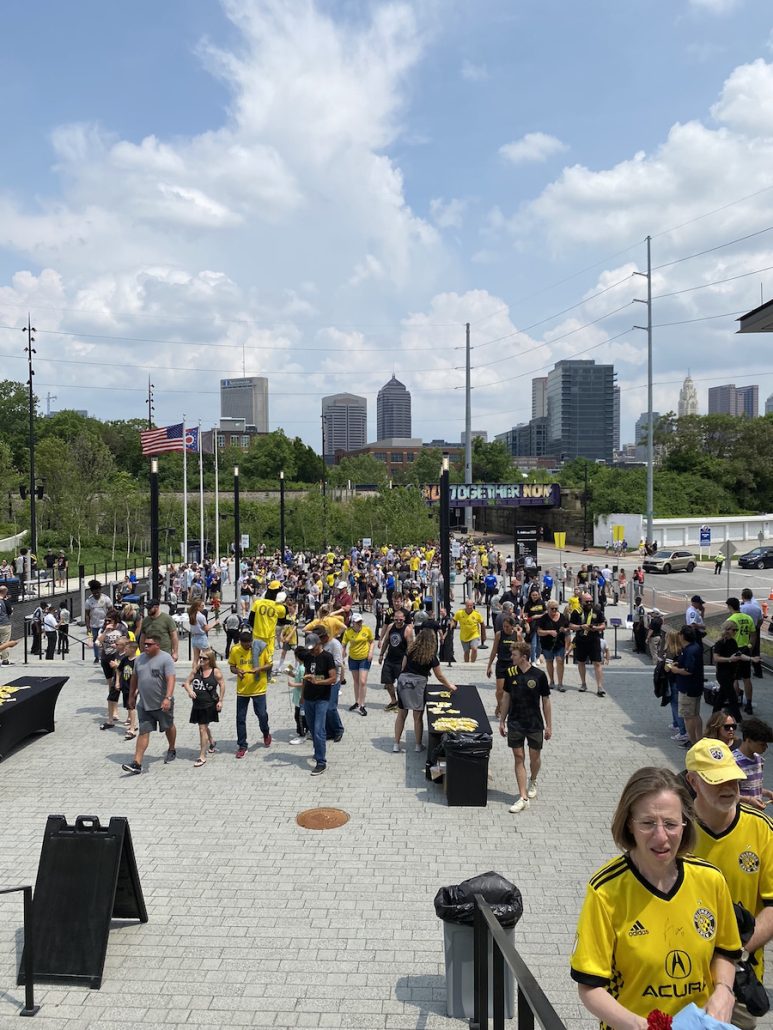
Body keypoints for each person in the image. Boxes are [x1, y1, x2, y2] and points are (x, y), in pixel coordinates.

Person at [572, 765, 741, 1028]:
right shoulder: (606, 890)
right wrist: (644, 1026)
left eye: (671, 824)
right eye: (648, 823)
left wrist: (723, 990)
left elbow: (725, 951)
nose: (661, 837)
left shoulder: (711, 879)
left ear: (686, 824)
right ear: (629, 824)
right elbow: (590, 988)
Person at [687, 737, 773, 1030]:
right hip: (680, 981)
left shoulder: (761, 829)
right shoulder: (675, 830)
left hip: (739, 979)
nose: (728, 787)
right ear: (693, 781)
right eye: (717, 780)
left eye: (733, 779)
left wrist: (734, 952)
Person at [499, 641, 551, 814]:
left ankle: (533, 779)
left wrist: (548, 725)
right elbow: (506, 697)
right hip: (515, 722)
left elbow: (546, 701)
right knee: (518, 756)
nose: (510, 657)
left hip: (534, 723)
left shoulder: (539, 675)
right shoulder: (510, 673)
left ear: (523, 657)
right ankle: (523, 797)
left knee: (534, 757)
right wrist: (502, 720)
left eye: (514, 655)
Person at [121, 634, 177, 774]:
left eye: (149, 644)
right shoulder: (139, 659)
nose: (145, 646)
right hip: (144, 704)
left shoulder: (166, 659)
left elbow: (171, 679)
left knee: (168, 726)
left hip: (162, 704)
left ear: (157, 645)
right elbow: (134, 677)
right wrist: (131, 696)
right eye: (144, 644)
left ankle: (171, 748)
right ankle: (137, 763)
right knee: (143, 732)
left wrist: (168, 698)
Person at [393, 631, 456, 754]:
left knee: (401, 714)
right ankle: (418, 745)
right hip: (418, 685)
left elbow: (403, 667)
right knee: (417, 717)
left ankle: (396, 744)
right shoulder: (431, 655)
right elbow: (439, 676)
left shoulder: (410, 650)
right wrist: (450, 686)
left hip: (404, 682)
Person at [229, 627, 272, 758]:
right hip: (242, 690)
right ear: (240, 642)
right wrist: (238, 671)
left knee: (262, 714)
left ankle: (265, 732)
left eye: (248, 644)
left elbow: (269, 664)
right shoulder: (235, 650)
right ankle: (242, 745)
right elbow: (232, 667)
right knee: (240, 718)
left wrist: (258, 668)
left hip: (259, 688)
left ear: (251, 642)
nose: (246, 646)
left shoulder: (260, 648)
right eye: (244, 644)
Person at [301, 632, 337, 776]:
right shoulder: (308, 657)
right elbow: (306, 677)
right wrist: (302, 695)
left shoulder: (327, 657)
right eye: (309, 648)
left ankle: (321, 762)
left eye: (313, 647)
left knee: (318, 730)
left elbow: (333, 678)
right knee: (311, 729)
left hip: (322, 698)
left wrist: (318, 681)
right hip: (309, 698)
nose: (311, 650)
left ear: (319, 644)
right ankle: (317, 752)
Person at [183, 648, 225, 768]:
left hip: (209, 704)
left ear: (210, 660)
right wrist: (189, 690)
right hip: (197, 704)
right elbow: (187, 682)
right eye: (200, 657)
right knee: (203, 726)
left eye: (204, 658)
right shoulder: (197, 669)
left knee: (202, 728)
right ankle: (211, 741)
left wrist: (221, 701)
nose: (201, 660)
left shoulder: (215, 672)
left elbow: (222, 685)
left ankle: (202, 756)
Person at [667, 624, 704, 744]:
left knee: (688, 717)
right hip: (696, 686)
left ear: (683, 636)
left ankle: (692, 741)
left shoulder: (690, 650)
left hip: (688, 688)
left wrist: (675, 670)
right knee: (695, 715)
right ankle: (698, 738)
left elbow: (689, 671)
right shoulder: (695, 647)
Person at [732, 717, 773, 810]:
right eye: (762, 744)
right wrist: (749, 801)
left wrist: (768, 793)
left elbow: (751, 787)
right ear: (748, 740)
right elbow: (730, 795)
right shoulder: (734, 762)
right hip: (741, 813)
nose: (765, 747)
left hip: (755, 812)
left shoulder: (759, 759)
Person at [569, 593, 606, 696]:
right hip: (581, 640)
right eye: (586, 601)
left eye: (590, 601)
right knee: (581, 662)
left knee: (597, 663)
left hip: (594, 640)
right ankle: (583, 684)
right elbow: (571, 625)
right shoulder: (576, 612)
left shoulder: (596, 611)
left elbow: (603, 625)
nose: (589, 603)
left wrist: (596, 628)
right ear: (581, 602)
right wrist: (581, 627)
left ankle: (599, 687)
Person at [486, 614, 523, 716]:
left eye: (507, 626)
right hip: (501, 663)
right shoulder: (499, 634)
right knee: (500, 691)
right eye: (504, 626)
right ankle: (499, 705)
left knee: (511, 690)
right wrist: (489, 666)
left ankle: (506, 708)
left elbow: (522, 650)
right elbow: (494, 651)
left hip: (513, 664)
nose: (505, 628)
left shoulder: (517, 635)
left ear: (512, 626)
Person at [710, 621, 745, 723]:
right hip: (723, 673)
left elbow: (738, 655)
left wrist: (751, 659)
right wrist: (729, 659)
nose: (735, 632)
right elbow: (716, 658)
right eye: (734, 630)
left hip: (731, 673)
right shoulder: (720, 643)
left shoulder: (733, 642)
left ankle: (714, 717)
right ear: (728, 630)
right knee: (732, 697)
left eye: (736, 630)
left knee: (721, 697)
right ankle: (739, 720)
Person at [727, 597, 756, 714]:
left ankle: (735, 703)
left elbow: (727, 637)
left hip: (735, 650)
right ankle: (748, 704)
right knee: (747, 678)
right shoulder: (748, 618)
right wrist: (750, 647)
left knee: (733, 678)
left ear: (730, 607)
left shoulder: (731, 619)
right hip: (746, 649)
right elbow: (753, 635)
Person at [342, 612, 374, 715]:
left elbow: (372, 642)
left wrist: (370, 652)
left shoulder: (366, 629)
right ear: (353, 623)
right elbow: (344, 644)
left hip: (364, 658)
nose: (359, 623)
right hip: (353, 658)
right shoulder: (348, 632)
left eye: (360, 621)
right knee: (356, 681)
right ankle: (357, 701)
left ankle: (362, 704)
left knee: (363, 681)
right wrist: (343, 652)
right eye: (357, 622)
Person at [536, 600, 570, 692]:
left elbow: (568, 628)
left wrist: (565, 630)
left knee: (560, 661)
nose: (554, 610)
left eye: (556, 608)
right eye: (552, 609)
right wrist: (549, 632)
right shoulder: (543, 618)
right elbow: (539, 632)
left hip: (559, 643)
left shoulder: (562, 617)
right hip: (547, 644)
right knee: (549, 661)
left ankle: (560, 683)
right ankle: (551, 680)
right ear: (548, 609)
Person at [85, 580, 111, 664]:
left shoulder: (106, 598)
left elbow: (111, 610)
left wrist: (109, 621)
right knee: (95, 641)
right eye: (94, 593)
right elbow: (87, 615)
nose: (96, 594)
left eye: (97, 592)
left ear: (100, 590)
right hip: (94, 624)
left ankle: (105, 655)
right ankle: (96, 657)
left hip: (104, 624)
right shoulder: (89, 601)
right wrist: (88, 627)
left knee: (104, 641)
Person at [453, 597, 484, 663]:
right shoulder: (460, 613)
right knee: (466, 652)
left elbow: (482, 623)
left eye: (471, 605)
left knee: (474, 649)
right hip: (464, 636)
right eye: (468, 605)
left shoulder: (477, 614)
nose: (469, 607)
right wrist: (452, 625)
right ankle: (466, 663)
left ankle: (473, 662)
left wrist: (483, 635)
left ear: (473, 605)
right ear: (465, 605)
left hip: (474, 635)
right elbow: (454, 620)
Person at [187, 599, 209, 667]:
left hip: (194, 637)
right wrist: (215, 623)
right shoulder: (201, 616)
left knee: (195, 659)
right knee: (208, 656)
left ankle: (194, 673)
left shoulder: (191, 615)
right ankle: (205, 672)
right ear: (198, 607)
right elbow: (206, 629)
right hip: (201, 637)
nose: (203, 607)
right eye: (202, 606)